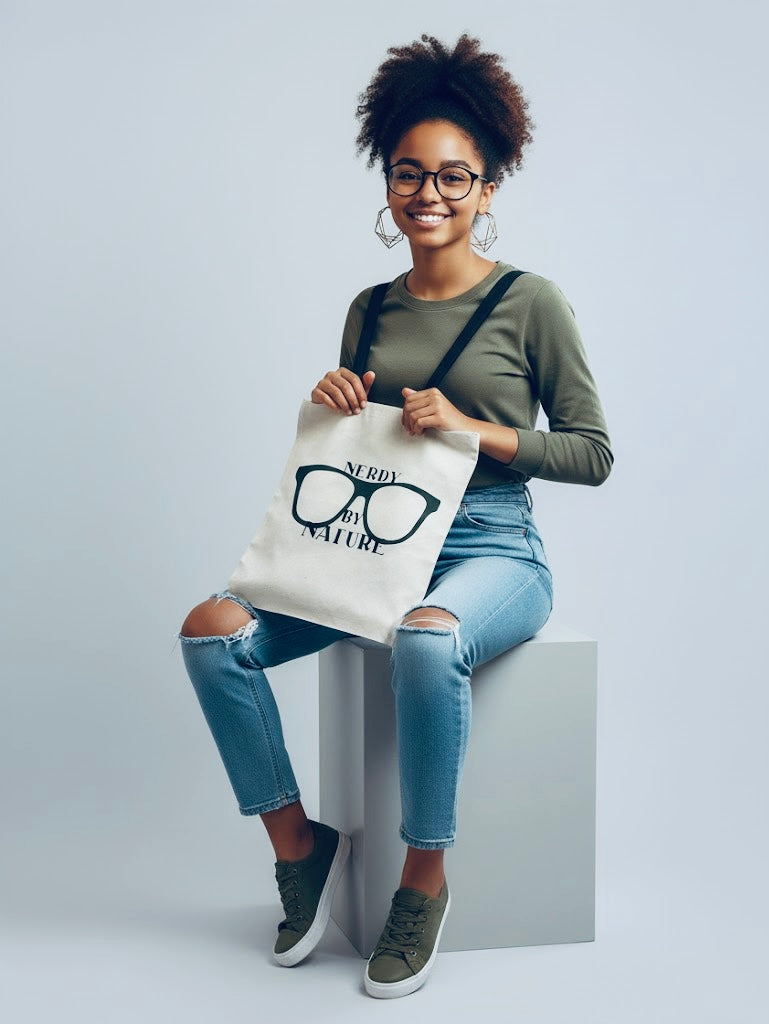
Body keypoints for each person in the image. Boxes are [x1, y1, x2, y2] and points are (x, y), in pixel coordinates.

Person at [177, 33, 613, 1000]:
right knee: (212, 633)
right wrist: (338, 398)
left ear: (488, 188)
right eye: (409, 173)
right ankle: (299, 847)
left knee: (424, 640)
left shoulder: (530, 302)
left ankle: (422, 880)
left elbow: (592, 453)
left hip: (491, 546)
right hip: (372, 541)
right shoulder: (368, 308)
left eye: (454, 177)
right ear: (387, 183)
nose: (429, 194)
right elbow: (361, 452)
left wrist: (473, 429)